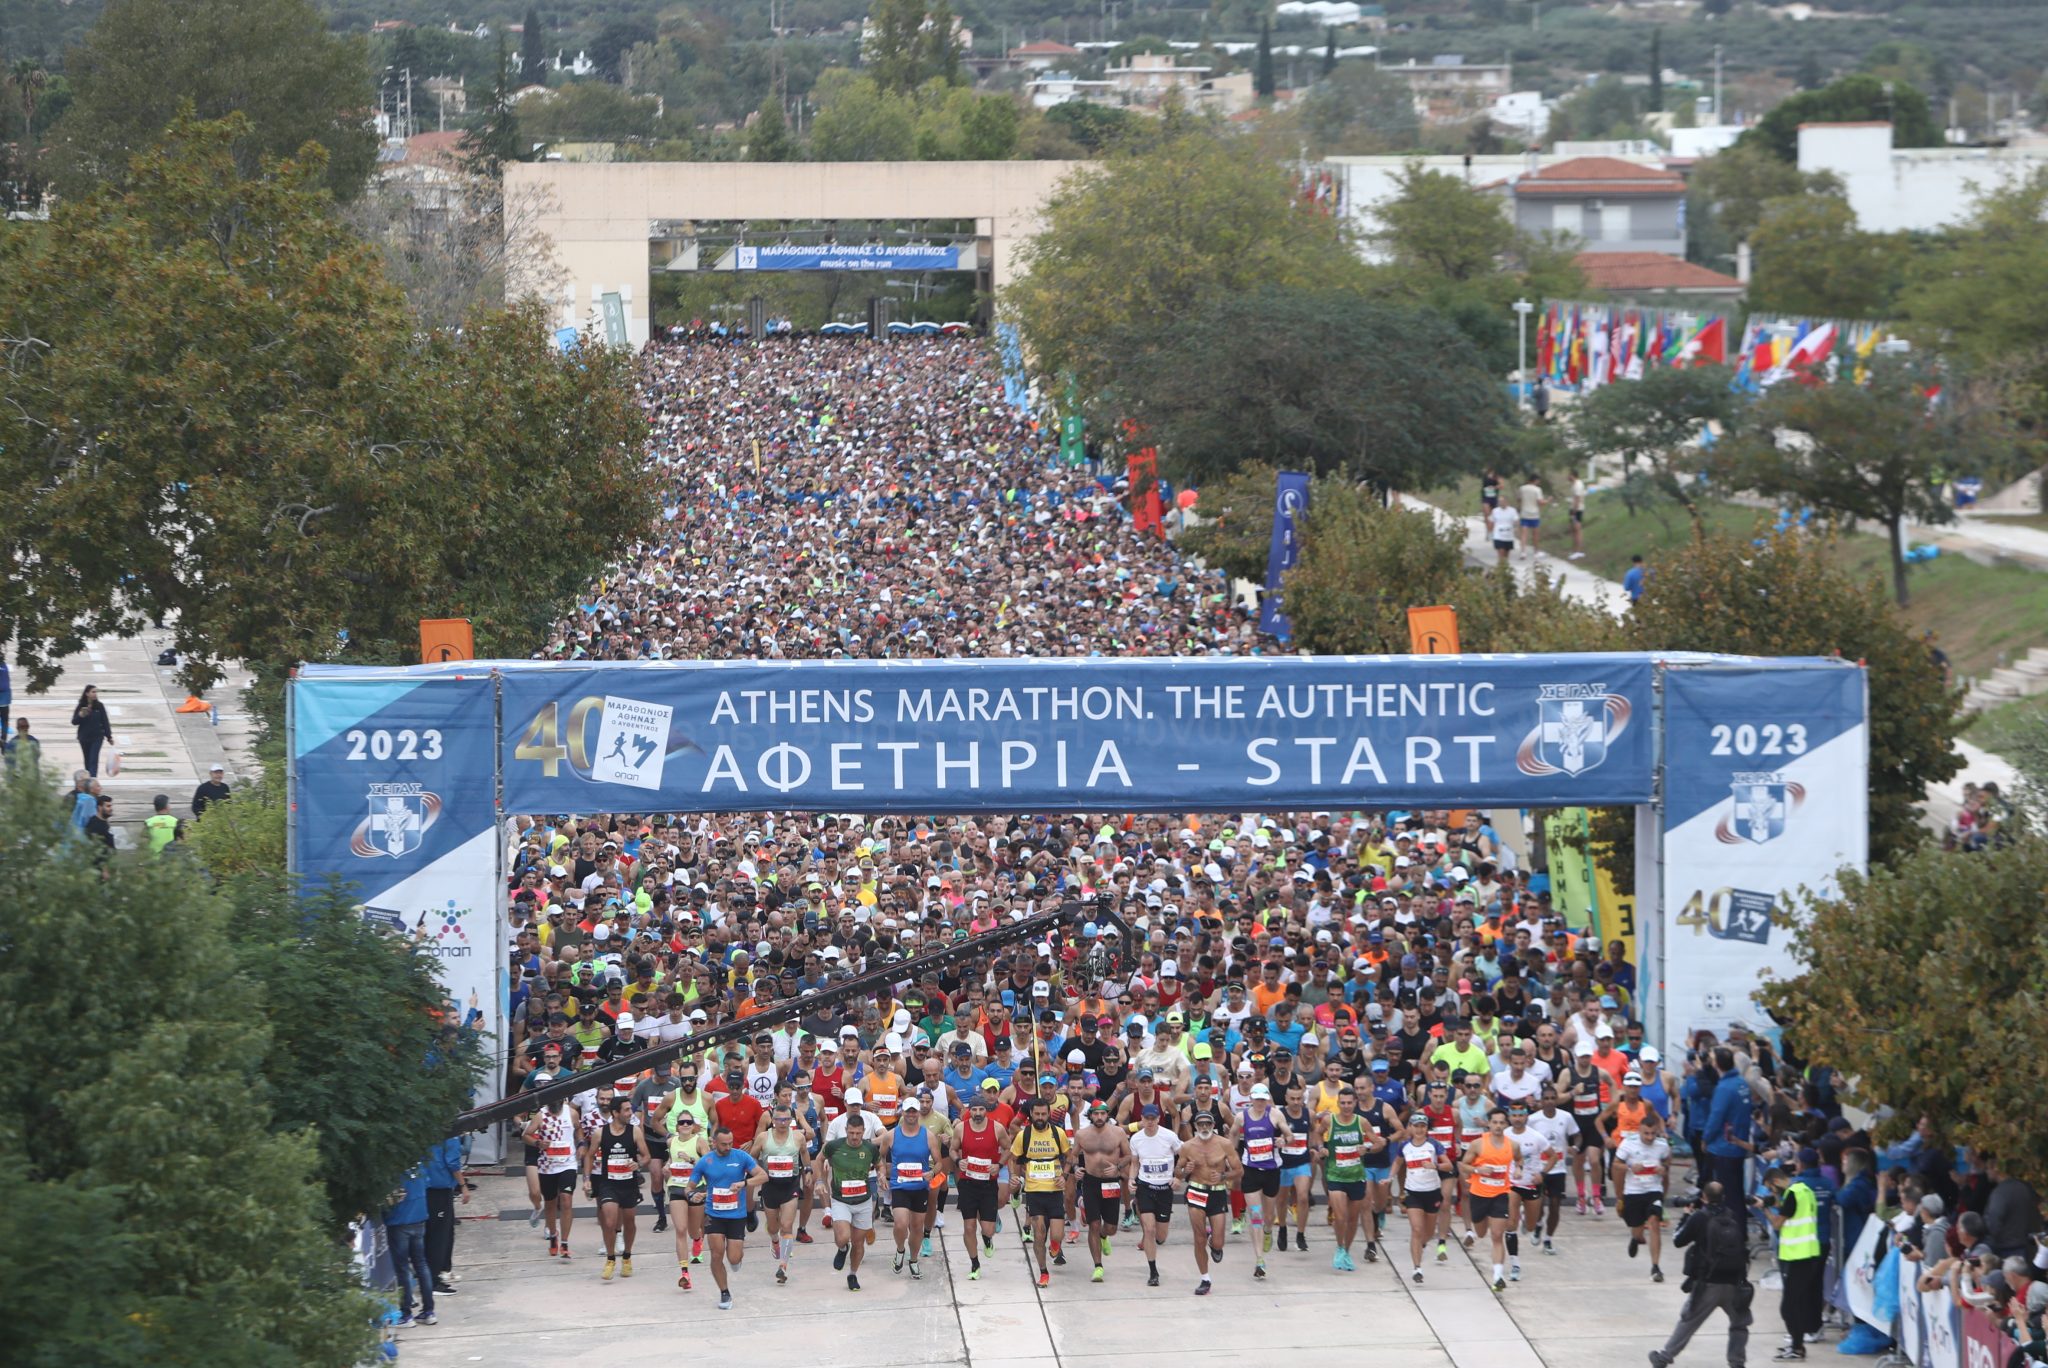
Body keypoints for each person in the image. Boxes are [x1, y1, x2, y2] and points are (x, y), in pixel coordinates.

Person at [1651, 1181, 1754, 1368]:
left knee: (1689, 1321)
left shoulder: (1699, 1217)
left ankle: (1664, 1357)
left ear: (1703, 1197)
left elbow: (1678, 1240)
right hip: (1733, 1281)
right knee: (1739, 1323)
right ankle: (1737, 1362)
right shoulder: (1733, 1215)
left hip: (1708, 1283)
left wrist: (1685, 1216)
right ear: (1723, 1198)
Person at [684, 1124, 766, 1310]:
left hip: (736, 1214)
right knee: (716, 1253)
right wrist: (692, 1195)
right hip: (713, 1214)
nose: (728, 1147)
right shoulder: (705, 1162)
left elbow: (763, 1176)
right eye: (724, 1144)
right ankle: (724, 1292)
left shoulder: (741, 1157)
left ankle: (736, 1260)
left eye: (730, 1143)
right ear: (714, 1143)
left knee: (734, 1258)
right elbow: (689, 1187)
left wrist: (743, 1183)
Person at [585, 1094, 650, 1281]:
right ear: (615, 1113)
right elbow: (589, 1156)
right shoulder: (600, 1133)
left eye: (630, 1109)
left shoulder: (635, 1131)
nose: (631, 1113)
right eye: (627, 1110)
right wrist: (587, 1179)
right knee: (609, 1221)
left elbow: (646, 1156)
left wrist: (638, 1163)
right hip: (608, 1184)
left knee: (629, 1221)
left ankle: (627, 1256)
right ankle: (610, 1258)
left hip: (629, 1184)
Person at [1762, 1164, 1824, 1360]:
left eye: (1771, 1188)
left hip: (1797, 1256)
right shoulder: (1805, 1191)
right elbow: (1792, 1213)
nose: (1772, 1192)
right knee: (1795, 1302)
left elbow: (1778, 1224)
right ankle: (1797, 1346)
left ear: (1776, 1181)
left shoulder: (1792, 1194)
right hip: (1808, 1254)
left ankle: (1797, 1348)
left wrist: (1764, 1209)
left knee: (1789, 1306)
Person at [1177, 1107, 1241, 1296]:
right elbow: (1177, 1173)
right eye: (1200, 1124)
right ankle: (1205, 1278)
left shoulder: (1224, 1144)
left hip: (1217, 1192)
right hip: (1196, 1190)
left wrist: (1223, 1176)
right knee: (1198, 1238)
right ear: (1195, 1126)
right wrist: (1185, 1170)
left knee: (1219, 1242)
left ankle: (1215, 1243)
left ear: (1214, 1125)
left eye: (1208, 1123)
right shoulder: (1187, 1146)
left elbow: (1238, 1171)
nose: (1204, 1127)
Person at [1011, 1095, 1073, 1288]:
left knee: (1057, 1235)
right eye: (1036, 1114)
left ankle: (1055, 1247)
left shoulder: (1058, 1133)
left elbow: (1070, 1157)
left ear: (1048, 1115)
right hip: (1034, 1191)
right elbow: (1014, 1158)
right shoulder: (1024, 1135)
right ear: (1030, 1114)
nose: (1040, 1117)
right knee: (1039, 1234)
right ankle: (1043, 1272)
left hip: (1054, 1190)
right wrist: (1016, 1177)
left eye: (1043, 1114)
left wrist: (1065, 1175)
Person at [817, 1112, 880, 1291]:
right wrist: (820, 1181)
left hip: (863, 1202)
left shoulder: (870, 1148)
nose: (854, 1137)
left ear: (863, 1132)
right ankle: (842, 1248)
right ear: (845, 1130)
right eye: (851, 1133)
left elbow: (879, 1163)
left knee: (859, 1243)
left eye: (858, 1133)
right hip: (841, 1200)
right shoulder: (834, 1146)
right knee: (844, 1237)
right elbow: (819, 1160)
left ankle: (852, 1274)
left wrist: (881, 1174)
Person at [879, 1096, 938, 1280]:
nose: (911, 1114)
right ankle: (900, 1249)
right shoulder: (891, 1135)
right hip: (900, 1186)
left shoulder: (928, 1136)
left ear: (918, 1112)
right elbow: (880, 1158)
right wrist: (881, 1173)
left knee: (917, 1227)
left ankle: (913, 1260)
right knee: (900, 1224)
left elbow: (939, 1163)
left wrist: (932, 1173)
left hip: (920, 1187)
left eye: (914, 1111)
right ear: (902, 1113)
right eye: (908, 1111)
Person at [1075, 1098, 1133, 1282]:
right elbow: (1072, 1156)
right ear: (1090, 1115)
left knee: (1111, 1228)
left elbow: (1129, 1155)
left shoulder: (1118, 1133)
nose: (1099, 1117)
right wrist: (1076, 1169)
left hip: (1111, 1182)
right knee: (1093, 1224)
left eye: (1102, 1113)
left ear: (1107, 1114)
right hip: (1091, 1182)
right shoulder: (1082, 1134)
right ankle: (1098, 1266)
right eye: (1096, 1113)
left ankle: (1103, 1236)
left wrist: (1117, 1167)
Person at [1612, 1108, 1672, 1283]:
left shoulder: (1662, 1145)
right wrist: (1630, 1168)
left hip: (1654, 1190)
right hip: (1634, 1191)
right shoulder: (1628, 1144)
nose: (1650, 1138)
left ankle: (1655, 1267)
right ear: (1639, 1130)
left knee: (1654, 1223)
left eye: (1653, 1134)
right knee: (1637, 1228)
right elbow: (1616, 1165)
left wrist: (1665, 1168)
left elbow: (1668, 1160)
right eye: (1646, 1134)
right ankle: (1635, 1237)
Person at [954, 1090, 1008, 1281]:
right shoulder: (961, 1128)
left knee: (988, 1229)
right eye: (974, 1109)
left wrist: (999, 1165)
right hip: (968, 1183)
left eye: (981, 1109)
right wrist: (957, 1160)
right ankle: (974, 1263)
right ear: (970, 1110)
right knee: (968, 1227)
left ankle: (987, 1240)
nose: (977, 1113)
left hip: (988, 1184)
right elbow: (953, 1149)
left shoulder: (997, 1128)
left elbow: (1009, 1148)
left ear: (986, 1110)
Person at [750, 1102, 807, 1284]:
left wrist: (808, 1171)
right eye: (779, 1119)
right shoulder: (763, 1137)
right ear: (772, 1120)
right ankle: (775, 1240)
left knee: (787, 1225)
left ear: (791, 1120)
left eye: (786, 1119)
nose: (782, 1123)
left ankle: (783, 1266)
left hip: (790, 1184)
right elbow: (752, 1156)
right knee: (773, 1227)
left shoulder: (797, 1137)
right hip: (770, 1185)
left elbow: (804, 1154)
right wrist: (758, 1173)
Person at [1461, 1107, 1518, 1290]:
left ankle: (1497, 1277)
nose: (1498, 1126)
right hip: (1479, 1194)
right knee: (1481, 1232)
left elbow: (1519, 1159)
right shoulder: (1478, 1144)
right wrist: (1478, 1170)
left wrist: (1519, 1168)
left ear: (1506, 1124)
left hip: (1500, 1194)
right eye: (1495, 1122)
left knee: (1497, 1235)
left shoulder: (1513, 1145)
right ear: (1488, 1124)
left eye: (1502, 1122)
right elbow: (1463, 1165)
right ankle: (1478, 1225)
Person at [1130, 1103, 1182, 1288]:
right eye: (1147, 1119)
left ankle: (1154, 1238)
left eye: (1153, 1119)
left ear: (1159, 1119)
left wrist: (1178, 1177)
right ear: (1142, 1120)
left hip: (1164, 1190)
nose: (1150, 1122)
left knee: (1161, 1236)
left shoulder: (1169, 1137)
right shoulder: (1136, 1139)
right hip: (1145, 1188)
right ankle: (1153, 1271)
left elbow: (1184, 1156)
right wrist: (1131, 1179)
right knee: (1149, 1230)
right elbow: (1135, 1163)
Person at [1398, 1112, 1453, 1283]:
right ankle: (1417, 1268)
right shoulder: (1404, 1146)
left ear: (1427, 1128)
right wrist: (1389, 1177)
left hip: (1432, 1192)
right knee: (1416, 1229)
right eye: (1416, 1126)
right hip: (1413, 1192)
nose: (1420, 1129)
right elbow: (1397, 1163)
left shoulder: (1434, 1145)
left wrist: (1434, 1165)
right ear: (1411, 1128)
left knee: (1428, 1233)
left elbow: (1449, 1165)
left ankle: (1421, 1245)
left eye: (1423, 1126)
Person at [383, 1161, 437, 1329]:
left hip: (399, 1222)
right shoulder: (419, 1166)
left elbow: (391, 1198)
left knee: (403, 1269)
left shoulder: (393, 1170)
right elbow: (426, 1184)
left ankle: (406, 1314)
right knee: (421, 1264)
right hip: (419, 1219)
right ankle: (429, 1311)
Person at [70, 684, 114, 777]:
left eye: (96, 692)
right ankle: (88, 781)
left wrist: (109, 736)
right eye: (93, 692)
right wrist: (81, 715)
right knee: (87, 760)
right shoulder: (81, 706)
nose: (95, 694)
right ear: (87, 693)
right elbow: (74, 721)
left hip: (97, 737)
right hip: (84, 737)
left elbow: (105, 721)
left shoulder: (99, 706)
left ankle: (93, 780)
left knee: (93, 759)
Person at [1516, 474, 1546, 558]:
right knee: (1535, 534)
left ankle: (1523, 552)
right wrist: (1547, 501)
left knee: (1524, 534)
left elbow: (1518, 499)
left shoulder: (1522, 488)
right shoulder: (1537, 490)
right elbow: (1540, 502)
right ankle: (1536, 552)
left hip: (1524, 513)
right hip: (1534, 514)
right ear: (1536, 480)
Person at [1488, 500, 1519, 567]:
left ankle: (1505, 568)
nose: (1501, 503)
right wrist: (1490, 533)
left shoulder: (1512, 511)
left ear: (1507, 502)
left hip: (1509, 535)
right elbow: (1491, 522)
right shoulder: (1495, 511)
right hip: (1498, 535)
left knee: (1506, 555)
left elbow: (1516, 520)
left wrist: (1516, 528)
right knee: (1501, 552)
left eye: (1503, 501)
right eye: (1500, 501)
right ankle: (1500, 568)